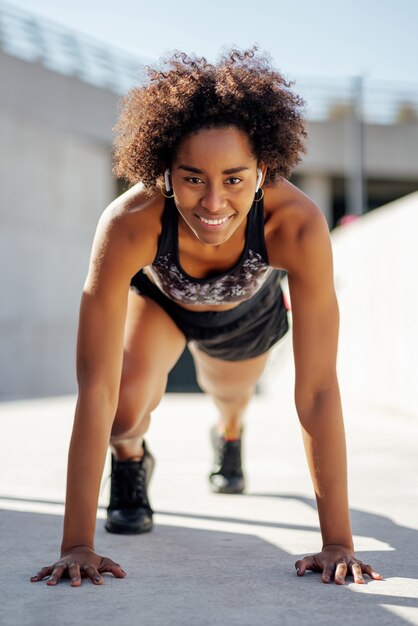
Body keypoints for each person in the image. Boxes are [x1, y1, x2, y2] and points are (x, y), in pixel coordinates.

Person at [30, 48, 383, 587]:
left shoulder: (298, 224)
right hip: (161, 303)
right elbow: (94, 385)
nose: (213, 202)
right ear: (166, 172)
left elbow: (316, 390)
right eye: (193, 178)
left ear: (263, 171)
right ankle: (131, 462)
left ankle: (230, 433)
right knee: (121, 411)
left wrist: (337, 542)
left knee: (230, 396)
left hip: (245, 315)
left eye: (235, 179)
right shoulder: (129, 222)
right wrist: (77, 544)